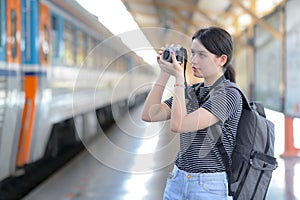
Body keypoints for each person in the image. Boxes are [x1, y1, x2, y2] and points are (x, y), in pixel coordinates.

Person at [141, 26, 243, 200]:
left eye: (202, 55)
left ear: (221, 60)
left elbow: (179, 125)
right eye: (192, 53)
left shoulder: (229, 94)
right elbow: (150, 114)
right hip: (178, 179)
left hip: (208, 186)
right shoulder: (192, 92)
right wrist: (164, 73)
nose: (194, 60)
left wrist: (179, 79)